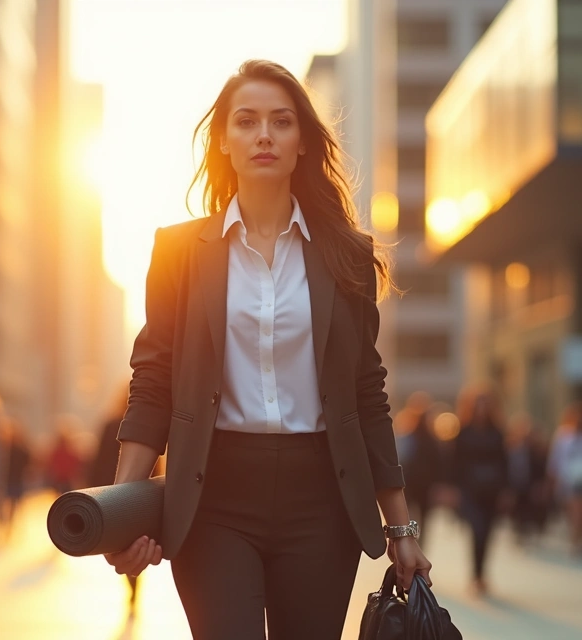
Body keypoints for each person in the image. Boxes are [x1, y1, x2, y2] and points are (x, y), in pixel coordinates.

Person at [102, 60, 432, 639]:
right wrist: (119, 510)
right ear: (223, 141)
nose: (264, 135)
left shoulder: (346, 254)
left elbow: (367, 394)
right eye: (247, 121)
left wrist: (401, 529)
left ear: (302, 141)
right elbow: (152, 383)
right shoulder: (178, 252)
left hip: (321, 501)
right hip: (213, 499)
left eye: (281, 122)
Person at [89, 383, 144, 612]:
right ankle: (134, 584)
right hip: (138, 489)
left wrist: (94, 490)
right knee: (134, 541)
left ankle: (131, 584)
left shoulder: (110, 424)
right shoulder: (144, 425)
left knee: (121, 543)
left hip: (111, 491)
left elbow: (98, 460)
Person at [452, 385, 509, 596]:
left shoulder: (497, 432)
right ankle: (475, 576)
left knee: (488, 533)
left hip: (492, 490)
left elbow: (504, 462)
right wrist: (453, 489)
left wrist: (506, 490)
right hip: (470, 490)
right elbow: (454, 462)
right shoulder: (463, 432)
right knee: (477, 529)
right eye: (478, 404)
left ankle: (482, 574)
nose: (482, 408)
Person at [548, 402, 582, 558]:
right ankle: (576, 540)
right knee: (575, 511)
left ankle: (580, 539)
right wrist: (553, 478)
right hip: (569, 480)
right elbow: (555, 459)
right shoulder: (563, 436)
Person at [395, 392, 445, 548]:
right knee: (420, 516)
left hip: (413, 483)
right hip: (418, 483)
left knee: (411, 515)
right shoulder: (428, 439)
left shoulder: (411, 438)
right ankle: (416, 544)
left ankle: (412, 543)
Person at [505, 412, 548, 546]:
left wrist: (540, 485)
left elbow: (540, 468)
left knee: (529, 510)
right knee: (516, 511)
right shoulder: (509, 447)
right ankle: (519, 532)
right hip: (515, 484)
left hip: (529, 485)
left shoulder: (536, 449)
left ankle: (528, 531)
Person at [0, 418, 30, 534]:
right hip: (6, 480)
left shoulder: (18, 448)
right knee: (6, 502)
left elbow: (27, 460)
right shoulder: (2, 448)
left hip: (15, 479)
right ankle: (6, 522)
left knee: (14, 502)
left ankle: (11, 523)